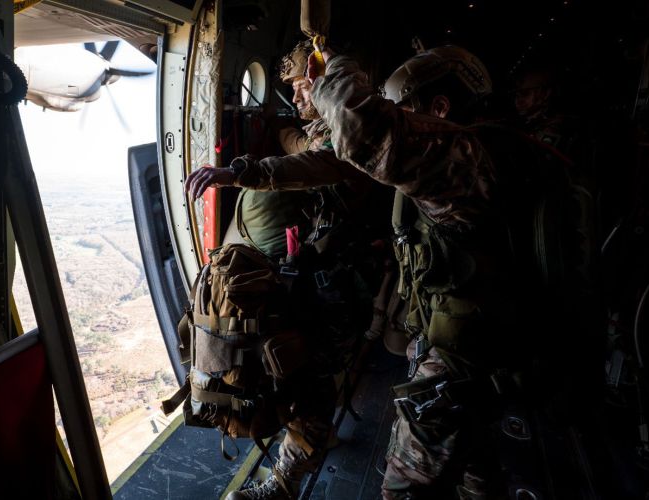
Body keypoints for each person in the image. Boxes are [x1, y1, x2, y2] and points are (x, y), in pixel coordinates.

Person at [188, 45, 579, 498]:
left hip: (466, 347)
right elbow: (329, 160)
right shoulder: (470, 152)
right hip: (460, 333)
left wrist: (331, 64)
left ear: (439, 109)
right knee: (470, 444)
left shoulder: (463, 157)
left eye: (405, 111)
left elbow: (362, 136)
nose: (400, 119)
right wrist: (244, 173)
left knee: (405, 485)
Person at [211, 41, 388, 500]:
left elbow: (309, 161)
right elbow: (301, 143)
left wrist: (240, 172)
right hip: (328, 275)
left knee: (313, 382)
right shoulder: (329, 131)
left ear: (326, 85)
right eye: (290, 86)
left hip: (341, 281)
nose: (296, 95)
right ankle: (316, 433)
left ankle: (284, 486)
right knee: (314, 375)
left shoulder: (351, 138)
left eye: (302, 85)